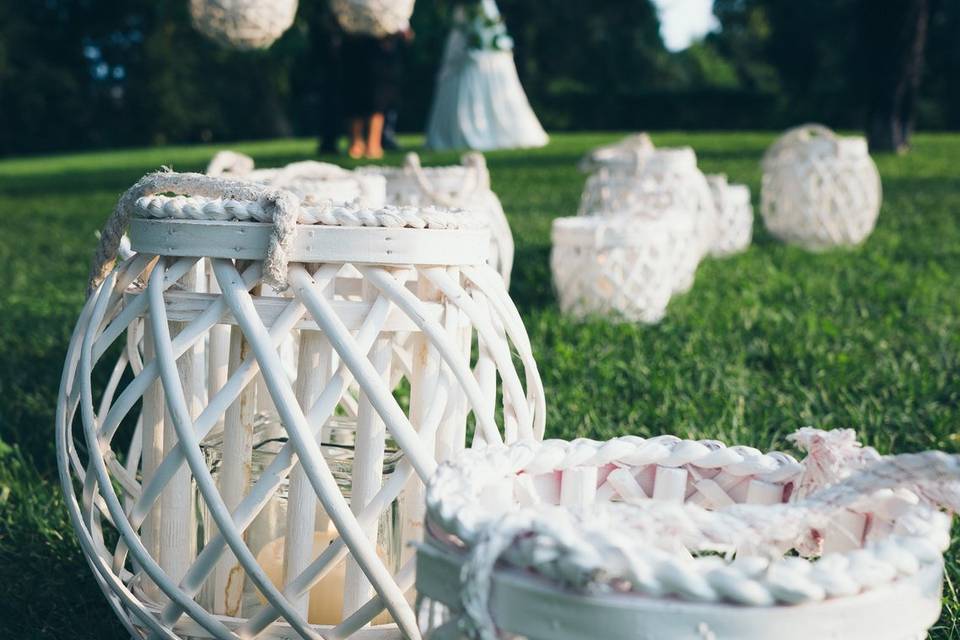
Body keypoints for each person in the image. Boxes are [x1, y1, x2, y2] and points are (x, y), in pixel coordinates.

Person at [341, 30, 408, 159]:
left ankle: (373, 143)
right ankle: (357, 143)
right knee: (355, 95)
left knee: (378, 98)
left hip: (378, 51)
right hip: (356, 46)